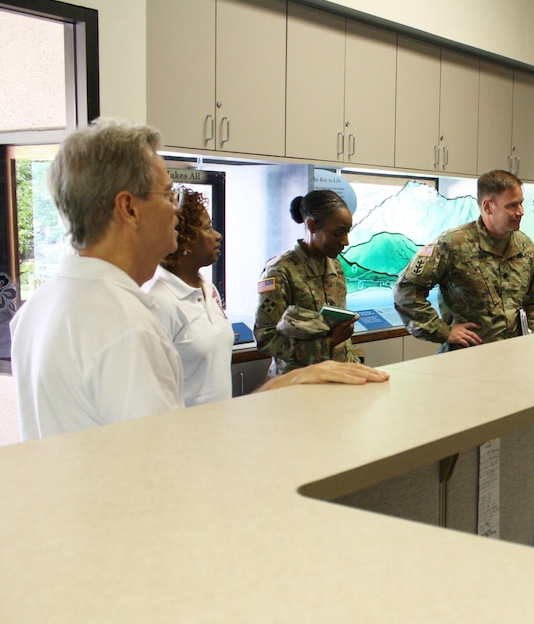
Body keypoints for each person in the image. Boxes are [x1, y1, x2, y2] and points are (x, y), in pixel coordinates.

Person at [10, 119, 388, 441]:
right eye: (168, 195)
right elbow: (169, 457)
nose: (177, 211)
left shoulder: (39, 307)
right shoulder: (124, 324)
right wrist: (283, 384)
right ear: (129, 208)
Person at [393, 169, 534, 350]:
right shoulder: (452, 244)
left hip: (512, 355)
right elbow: (405, 291)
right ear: (488, 206)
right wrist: (442, 330)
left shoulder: (524, 246)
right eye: (512, 205)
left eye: (521, 203)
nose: (520, 211)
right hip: (465, 357)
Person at [255, 190, 364, 376]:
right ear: (312, 226)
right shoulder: (280, 270)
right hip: (298, 382)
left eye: (347, 232)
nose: (345, 241)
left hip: (338, 375)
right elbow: (265, 338)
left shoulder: (335, 265)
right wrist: (326, 344)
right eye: (338, 233)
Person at [144, 188, 234, 406]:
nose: (217, 235)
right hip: (184, 431)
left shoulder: (208, 288)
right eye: (207, 228)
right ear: (182, 240)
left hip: (219, 425)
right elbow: (152, 389)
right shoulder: (160, 301)